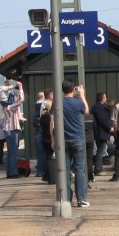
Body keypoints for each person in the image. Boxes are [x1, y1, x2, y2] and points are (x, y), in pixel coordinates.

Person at [51, 79, 89, 207]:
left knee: (65, 170)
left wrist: (53, 139)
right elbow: (86, 111)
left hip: (63, 140)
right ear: (73, 89)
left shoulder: (57, 102)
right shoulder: (77, 103)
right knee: (79, 169)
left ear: (62, 90)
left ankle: (66, 198)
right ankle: (81, 199)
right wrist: (82, 95)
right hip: (77, 138)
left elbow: (52, 122)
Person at [3, 82, 24, 179]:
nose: (16, 97)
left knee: (10, 152)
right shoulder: (11, 106)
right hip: (12, 130)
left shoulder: (6, 107)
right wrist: (21, 88)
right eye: (15, 96)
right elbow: (22, 100)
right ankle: (13, 173)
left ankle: (9, 172)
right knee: (13, 152)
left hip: (7, 130)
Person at [91, 92, 113, 175]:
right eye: (105, 97)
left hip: (99, 132)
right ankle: (98, 169)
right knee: (101, 150)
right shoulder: (99, 107)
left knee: (101, 150)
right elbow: (102, 119)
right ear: (102, 98)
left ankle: (98, 168)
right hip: (101, 132)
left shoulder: (96, 106)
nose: (106, 99)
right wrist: (109, 127)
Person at [39, 99, 54, 183]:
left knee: (48, 157)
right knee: (51, 158)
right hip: (50, 138)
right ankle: (48, 175)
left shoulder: (43, 116)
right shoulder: (50, 116)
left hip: (44, 138)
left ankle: (46, 175)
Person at [33, 91, 46, 178]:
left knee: (39, 154)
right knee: (45, 153)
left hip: (37, 132)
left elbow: (34, 124)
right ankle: (45, 171)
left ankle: (39, 171)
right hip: (44, 133)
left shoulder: (35, 110)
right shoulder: (45, 107)